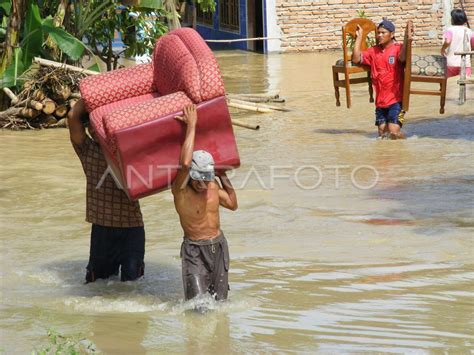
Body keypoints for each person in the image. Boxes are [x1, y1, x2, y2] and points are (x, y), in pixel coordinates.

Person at [68, 99, 146, 283]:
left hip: (132, 227)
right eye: (95, 127)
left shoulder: (129, 150)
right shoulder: (87, 150)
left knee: (132, 287)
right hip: (102, 229)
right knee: (98, 286)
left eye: (104, 126)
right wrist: (92, 96)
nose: (100, 131)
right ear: (90, 130)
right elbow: (72, 117)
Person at [172, 105, 238, 302]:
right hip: (194, 250)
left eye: (205, 178)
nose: (201, 184)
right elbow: (184, 164)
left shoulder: (212, 185)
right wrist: (192, 125)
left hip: (218, 247)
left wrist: (222, 176)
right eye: (197, 179)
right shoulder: (181, 190)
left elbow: (233, 204)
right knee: (197, 306)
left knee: (220, 304)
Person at [352, 19, 412, 140]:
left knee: (393, 132)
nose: (379, 35)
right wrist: (359, 37)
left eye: (383, 32)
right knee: (382, 134)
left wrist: (407, 39)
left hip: (396, 100)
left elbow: (403, 57)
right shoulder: (374, 51)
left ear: (392, 34)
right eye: (378, 33)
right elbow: (356, 59)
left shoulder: (398, 48)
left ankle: (408, 143)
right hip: (380, 102)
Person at [441, 9, 474, 78]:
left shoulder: (450, 30)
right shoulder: (469, 31)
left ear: (453, 19)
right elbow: (473, 45)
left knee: (449, 84)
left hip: (451, 63)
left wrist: (443, 49)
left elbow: (447, 41)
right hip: (465, 63)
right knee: (465, 84)